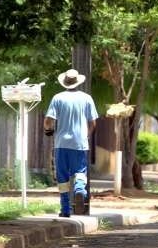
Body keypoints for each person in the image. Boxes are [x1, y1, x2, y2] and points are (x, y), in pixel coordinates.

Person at [44, 69, 98, 217]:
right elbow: (93, 123)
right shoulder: (87, 98)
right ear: (78, 82)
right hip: (79, 143)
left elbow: (48, 120)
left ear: (65, 82)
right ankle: (80, 190)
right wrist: (85, 136)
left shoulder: (57, 98)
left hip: (61, 143)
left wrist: (48, 130)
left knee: (62, 177)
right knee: (80, 171)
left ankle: (65, 209)